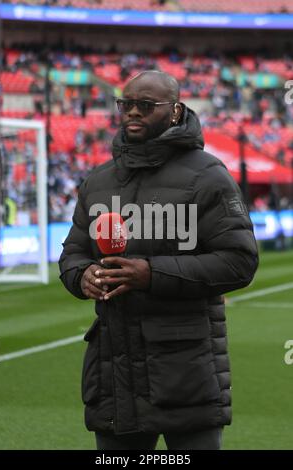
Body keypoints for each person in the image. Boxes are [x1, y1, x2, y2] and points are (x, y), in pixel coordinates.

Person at [59, 71, 259, 450]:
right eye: (126, 104)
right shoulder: (98, 181)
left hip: (186, 372)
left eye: (145, 106)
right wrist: (81, 275)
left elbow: (239, 262)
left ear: (174, 111)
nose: (133, 112)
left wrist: (150, 274)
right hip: (113, 373)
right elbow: (72, 253)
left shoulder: (209, 175)